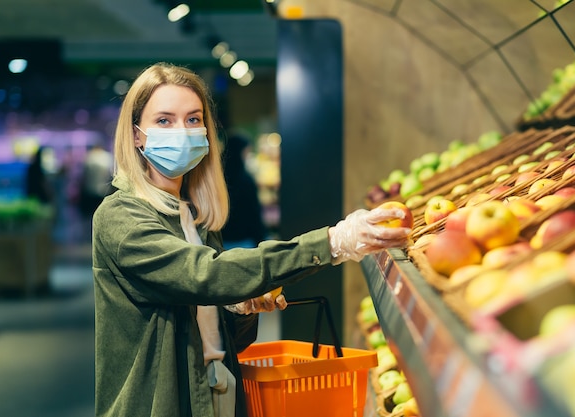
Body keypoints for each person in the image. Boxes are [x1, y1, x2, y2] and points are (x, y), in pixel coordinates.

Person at [91, 62, 410, 417]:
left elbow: (224, 337)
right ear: (136, 135)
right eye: (164, 120)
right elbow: (203, 275)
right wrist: (332, 242)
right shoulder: (121, 216)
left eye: (193, 119)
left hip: (213, 392)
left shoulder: (193, 216)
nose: (181, 131)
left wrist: (236, 308)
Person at [221, 132, 266, 249]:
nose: (248, 156)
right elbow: (254, 213)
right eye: (247, 152)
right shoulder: (245, 180)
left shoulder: (216, 178)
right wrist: (260, 240)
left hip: (221, 240)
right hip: (244, 241)